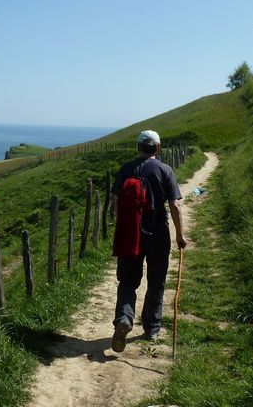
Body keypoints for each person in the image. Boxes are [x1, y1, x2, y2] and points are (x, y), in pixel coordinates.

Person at [110, 130, 186, 352]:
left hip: (130, 233)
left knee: (127, 280)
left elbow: (115, 203)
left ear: (138, 147)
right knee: (156, 280)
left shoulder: (126, 169)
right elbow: (175, 205)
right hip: (158, 235)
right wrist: (180, 235)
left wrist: (122, 228)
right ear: (158, 148)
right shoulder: (164, 170)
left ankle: (124, 317)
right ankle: (152, 326)